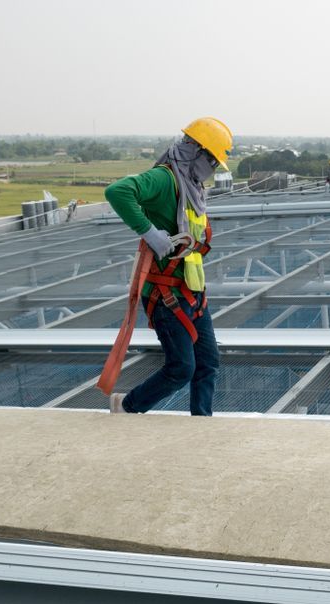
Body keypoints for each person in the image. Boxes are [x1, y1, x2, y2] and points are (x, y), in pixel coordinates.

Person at [102, 117, 233, 416]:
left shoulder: (192, 187)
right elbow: (118, 191)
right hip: (167, 295)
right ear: (195, 151)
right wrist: (149, 232)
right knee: (181, 368)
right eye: (212, 161)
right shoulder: (165, 179)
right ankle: (127, 407)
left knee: (208, 362)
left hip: (192, 291)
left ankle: (201, 422)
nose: (212, 169)